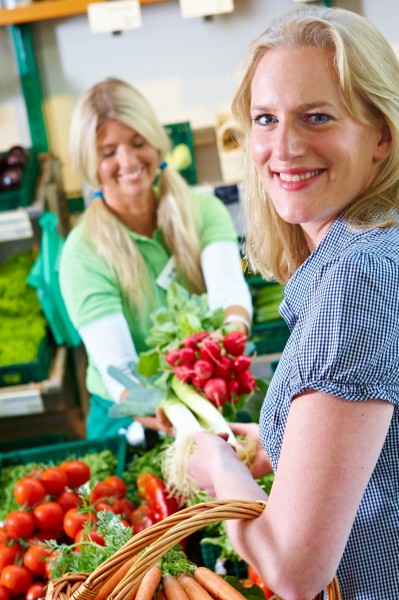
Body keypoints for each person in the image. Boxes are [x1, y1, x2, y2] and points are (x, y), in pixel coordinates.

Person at [185, 6, 399, 599]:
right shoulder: (375, 249)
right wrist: (275, 442)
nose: (284, 147)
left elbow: (293, 570)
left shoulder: (360, 279)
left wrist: (218, 470)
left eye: (318, 117)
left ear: (381, 134)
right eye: (265, 119)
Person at [59, 77, 252, 442]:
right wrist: (174, 415)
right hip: (130, 418)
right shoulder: (82, 253)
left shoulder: (203, 210)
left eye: (138, 143)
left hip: (208, 395)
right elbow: (120, 370)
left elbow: (229, 290)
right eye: (108, 152)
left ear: (156, 141)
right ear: (90, 162)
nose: (128, 161)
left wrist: (229, 344)